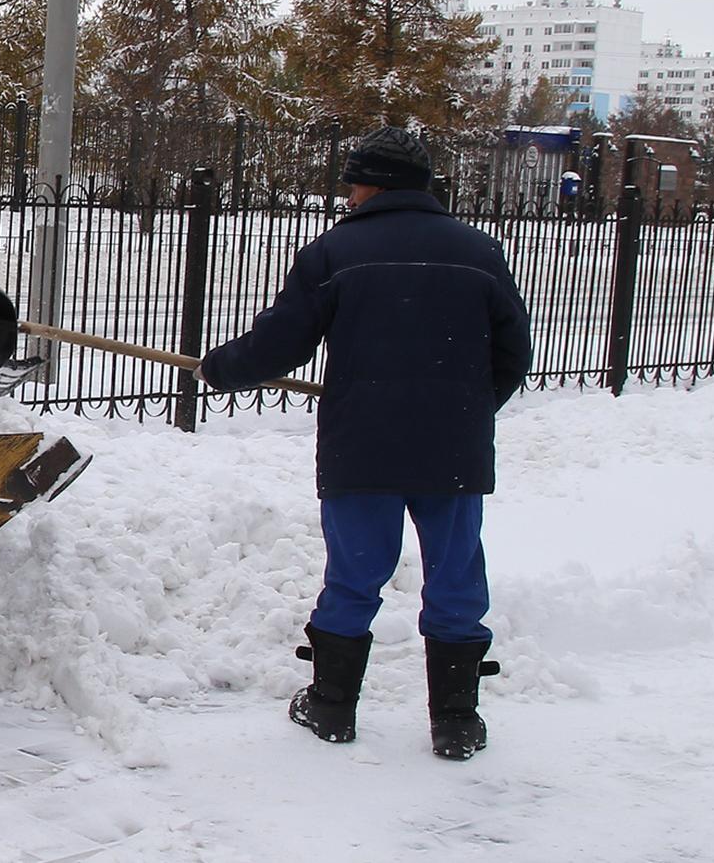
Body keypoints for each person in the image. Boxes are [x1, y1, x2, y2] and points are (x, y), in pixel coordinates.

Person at [196, 126, 535, 761]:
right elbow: (513, 348)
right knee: (456, 574)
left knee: (355, 572)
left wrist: (220, 368)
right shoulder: (479, 251)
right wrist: (464, 410)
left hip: (364, 444)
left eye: (352, 183)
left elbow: (283, 339)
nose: (349, 195)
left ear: (367, 184)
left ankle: (331, 707)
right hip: (452, 448)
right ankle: (456, 721)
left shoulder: (336, 252)